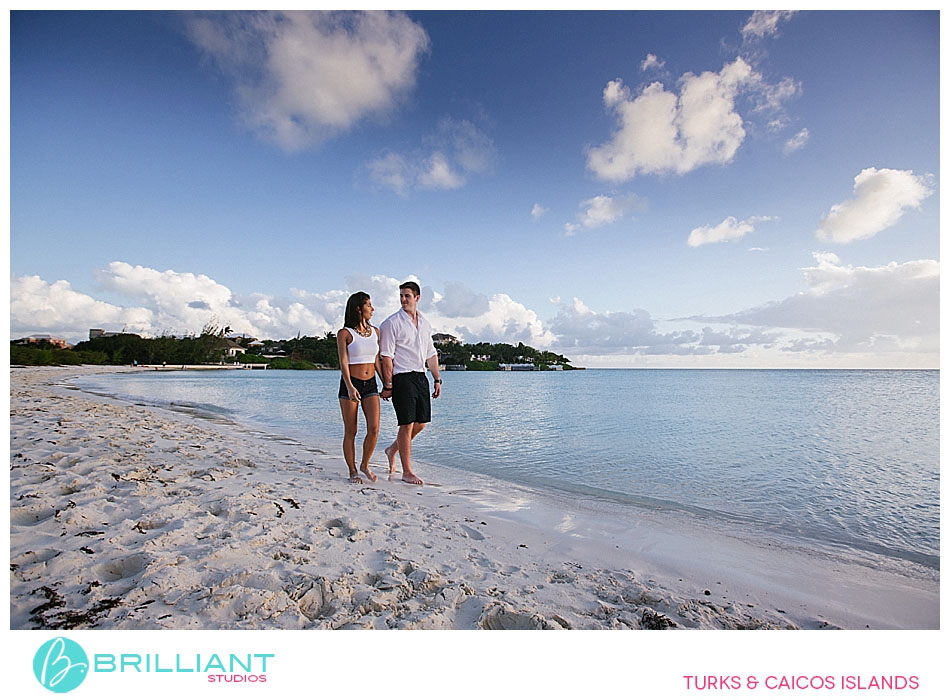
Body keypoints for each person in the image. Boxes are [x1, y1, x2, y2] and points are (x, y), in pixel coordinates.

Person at [379, 281, 442, 486]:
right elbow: (386, 356)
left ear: (417, 298)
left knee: (421, 423)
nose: (403, 299)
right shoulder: (391, 323)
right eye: (401, 296)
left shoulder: (425, 323)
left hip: (420, 377)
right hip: (401, 377)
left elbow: (431, 354)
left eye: (407, 296)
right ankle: (407, 471)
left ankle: (392, 450)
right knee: (406, 424)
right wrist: (388, 385)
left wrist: (437, 379)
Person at [336, 292, 382, 484]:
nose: (372, 309)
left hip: (370, 384)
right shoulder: (345, 333)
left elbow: (377, 360)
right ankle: (353, 470)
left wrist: (387, 383)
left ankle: (365, 464)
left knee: (374, 427)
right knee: (351, 430)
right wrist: (349, 386)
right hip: (350, 384)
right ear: (358, 308)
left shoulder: (376, 332)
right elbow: (343, 362)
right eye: (369, 305)